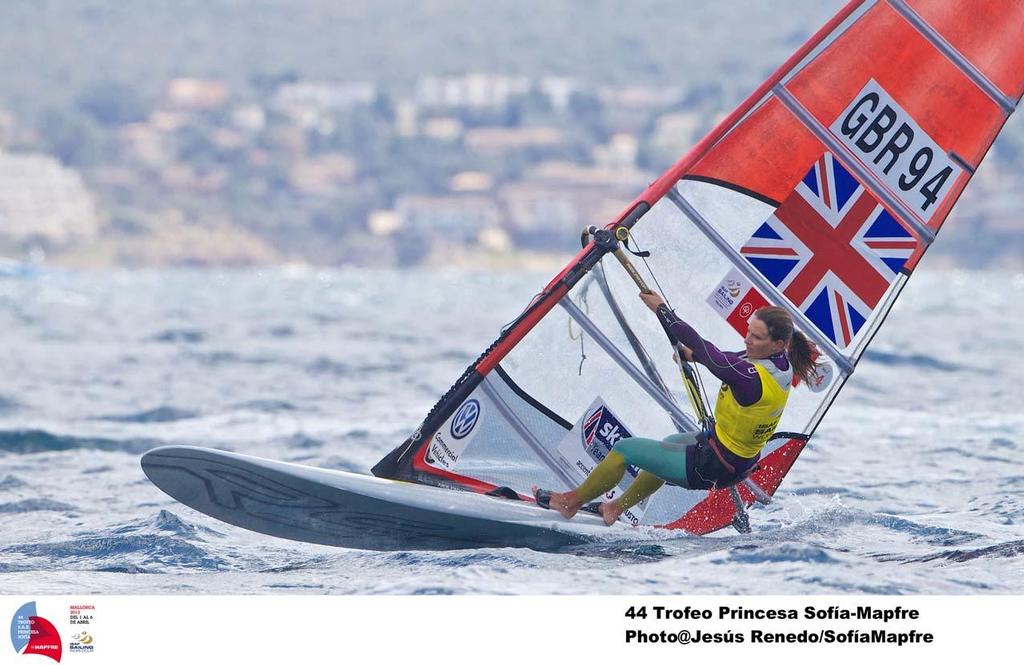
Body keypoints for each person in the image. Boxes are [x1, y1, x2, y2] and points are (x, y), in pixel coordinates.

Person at [534, 292, 818, 526]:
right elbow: (727, 358)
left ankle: (571, 502)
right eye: (748, 331)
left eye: (756, 337)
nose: (747, 339)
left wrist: (663, 312)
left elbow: (718, 359)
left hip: (715, 466)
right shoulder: (779, 363)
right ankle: (614, 508)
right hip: (723, 451)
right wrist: (692, 356)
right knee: (668, 445)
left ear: (779, 343)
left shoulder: (752, 378)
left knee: (623, 450)